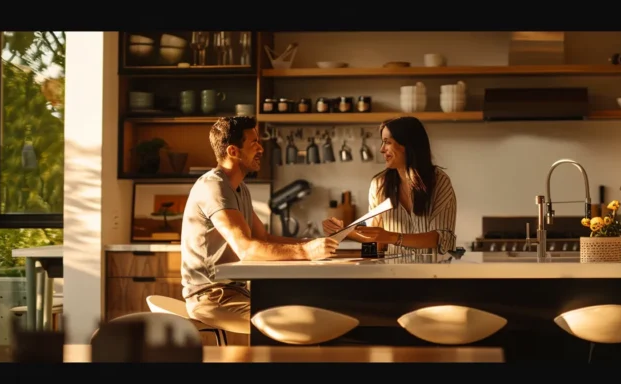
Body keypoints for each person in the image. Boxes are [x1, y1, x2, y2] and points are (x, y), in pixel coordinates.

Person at [180, 116, 338, 336]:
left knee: (310, 309)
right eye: (253, 143)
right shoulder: (214, 187)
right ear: (233, 151)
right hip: (212, 299)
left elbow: (262, 237)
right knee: (295, 326)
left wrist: (311, 244)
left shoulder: (239, 188)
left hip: (237, 293)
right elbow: (246, 249)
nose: (261, 148)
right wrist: (304, 251)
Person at [322, 116, 457, 259]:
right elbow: (374, 239)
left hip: (433, 276)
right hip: (393, 275)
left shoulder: (439, 181)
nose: (381, 149)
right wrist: (343, 231)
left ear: (408, 145)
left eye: (387, 142)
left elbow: (444, 239)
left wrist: (393, 237)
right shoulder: (378, 184)